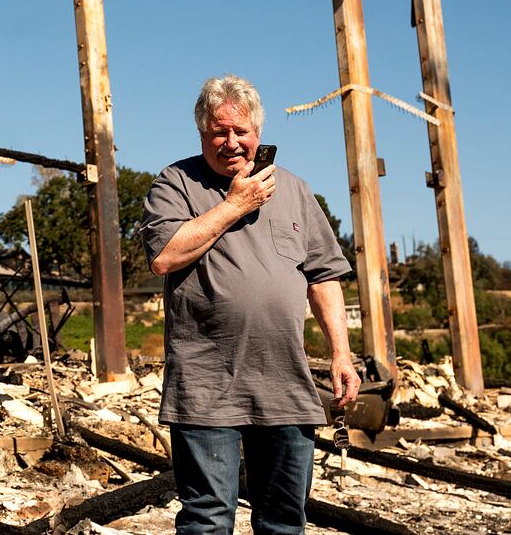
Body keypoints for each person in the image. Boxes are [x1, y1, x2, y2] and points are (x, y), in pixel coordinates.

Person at [140, 74, 359, 535]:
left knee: (283, 522)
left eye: (241, 131)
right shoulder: (176, 183)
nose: (231, 142)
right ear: (202, 133)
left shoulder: (295, 190)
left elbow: (323, 276)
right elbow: (164, 257)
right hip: (206, 387)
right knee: (207, 521)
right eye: (219, 132)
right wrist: (235, 205)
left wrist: (341, 352)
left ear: (258, 133)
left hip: (285, 387)